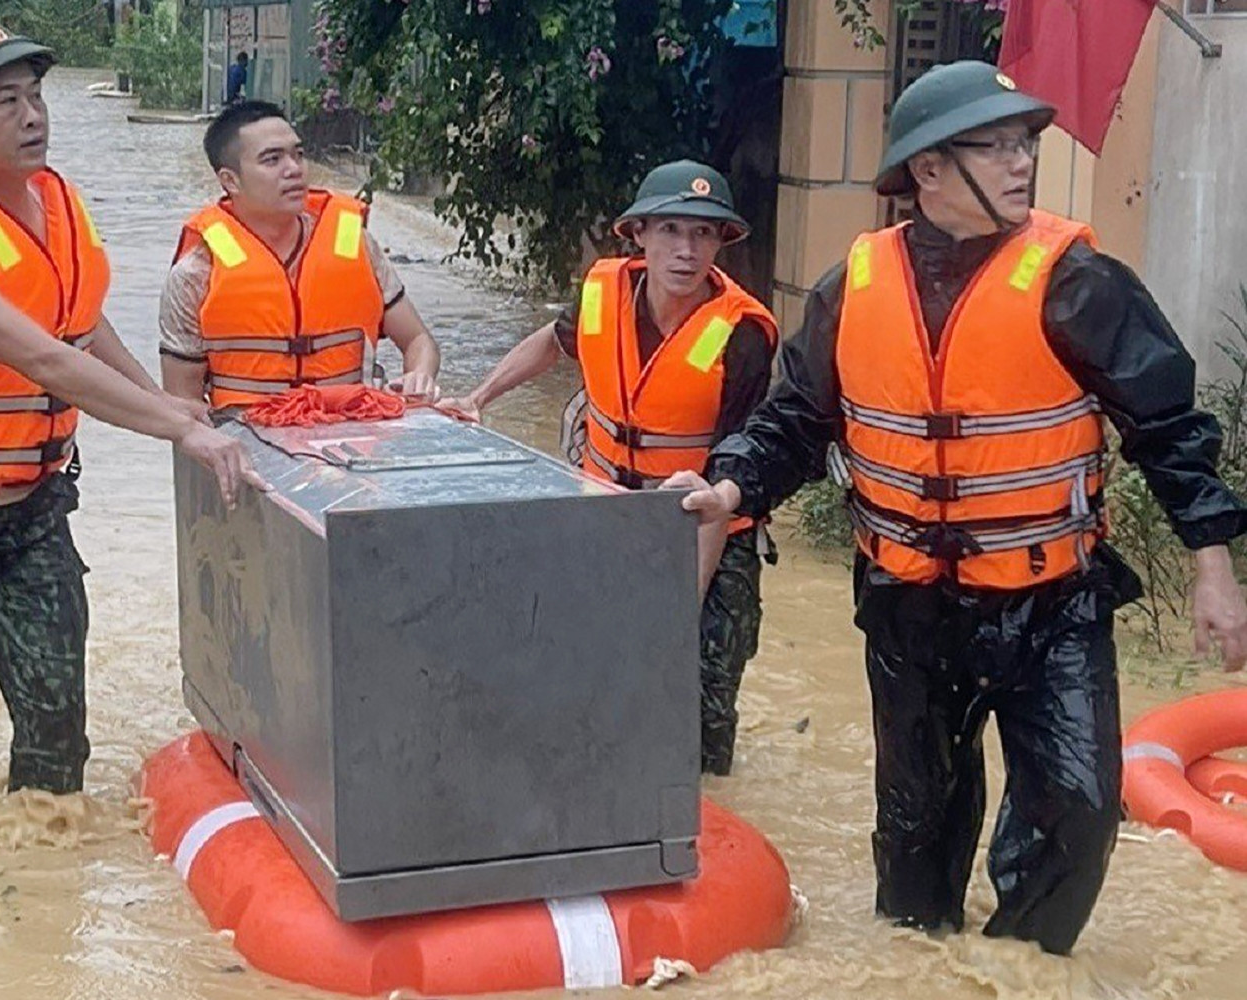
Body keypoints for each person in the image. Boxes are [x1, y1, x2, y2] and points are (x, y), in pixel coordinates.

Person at [667, 62, 1247, 953]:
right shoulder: (851, 288)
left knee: (1079, 818)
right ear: (929, 171)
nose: (1022, 162)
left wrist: (1213, 565)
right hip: (909, 610)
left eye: (1027, 143)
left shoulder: (1078, 282)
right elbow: (792, 421)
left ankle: (1019, 966)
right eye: (997, 145)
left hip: (1050, 604)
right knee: (912, 850)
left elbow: (1166, 423)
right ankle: (925, 964)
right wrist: (729, 484)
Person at [0, 20, 263, 797]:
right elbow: (44, 358)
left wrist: (167, 406)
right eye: (6, 101)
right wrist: (176, 424)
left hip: (30, 512)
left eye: (36, 95)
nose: (34, 115)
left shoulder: (61, 202)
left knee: (55, 739)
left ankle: (38, 892)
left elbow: (78, 323)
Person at [453, 161, 778, 776]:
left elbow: (725, 479)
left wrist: (681, 605)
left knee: (700, 708)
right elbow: (554, 341)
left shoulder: (743, 335)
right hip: (605, 509)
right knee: (588, 678)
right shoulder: (602, 293)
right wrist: (478, 397)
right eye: (672, 230)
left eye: (704, 235)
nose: (686, 251)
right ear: (640, 234)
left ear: (721, 244)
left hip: (706, 530)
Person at [159, 100, 440, 409]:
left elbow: (418, 340)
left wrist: (420, 376)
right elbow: (182, 403)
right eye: (272, 159)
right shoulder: (196, 272)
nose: (293, 169)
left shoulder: (355, 242)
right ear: (230, 180)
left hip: (355, 429)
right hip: (247, 436)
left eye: (298, 155)